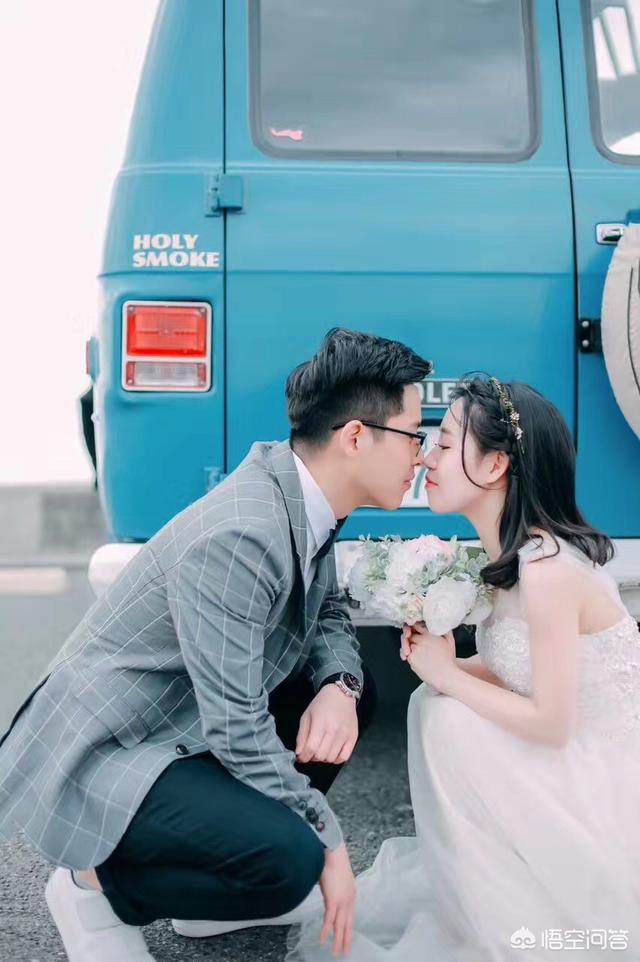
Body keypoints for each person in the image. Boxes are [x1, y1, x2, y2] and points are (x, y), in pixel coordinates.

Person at [0, 327, 432, 962]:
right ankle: (94, 885)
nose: (421, 455)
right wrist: (330, 842)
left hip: (182, 721)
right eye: (414, 435)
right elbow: (236, 725)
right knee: (293, 860)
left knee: (348, 697)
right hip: (113, 745)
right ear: (355, 437)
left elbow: (326, 608)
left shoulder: (306, 494)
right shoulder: (244, 533)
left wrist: (340, 687)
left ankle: (208, 897)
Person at [288, 374, 640, 961]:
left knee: (443, 708)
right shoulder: (511, 558)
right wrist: (448, 664)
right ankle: (485, 894)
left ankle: (516, 906)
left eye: (446, 443)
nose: (427, 457)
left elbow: (552, 722)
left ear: (496, 464)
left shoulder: (548, 571)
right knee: (434, 701)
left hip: (605, 780)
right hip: (571, 753)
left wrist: (448, 675)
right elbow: (520, 672)